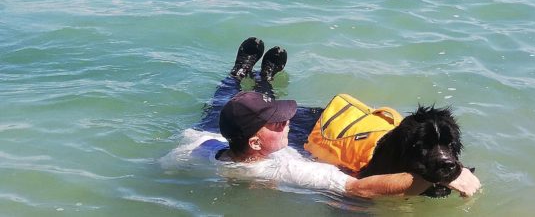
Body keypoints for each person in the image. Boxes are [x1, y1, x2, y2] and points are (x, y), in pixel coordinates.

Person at [189, 37, 481, 198]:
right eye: (278, 123)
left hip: (213, 132)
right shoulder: (287, 169)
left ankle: (244, 74)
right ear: (255, 143)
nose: (287, 122)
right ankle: (257, 79)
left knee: (223, 101)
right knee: (241, 105)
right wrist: (447, 176)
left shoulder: (194, 147)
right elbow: (357, 188)